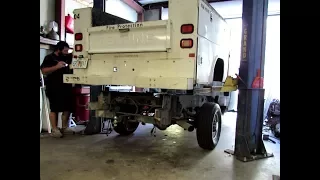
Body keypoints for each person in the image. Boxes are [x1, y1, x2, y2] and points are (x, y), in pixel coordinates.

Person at [41, 41, 73, 138]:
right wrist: (57, 67)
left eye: (68, 50)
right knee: (54, 108)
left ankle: (64, 127)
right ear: (58, 50)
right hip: (53, 86)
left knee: (68, 107)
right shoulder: (49, 58)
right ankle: (55, 129)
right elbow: (43, 71)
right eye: (65, 50)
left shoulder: (66, 57)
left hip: (66, 85)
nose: (66, 52)